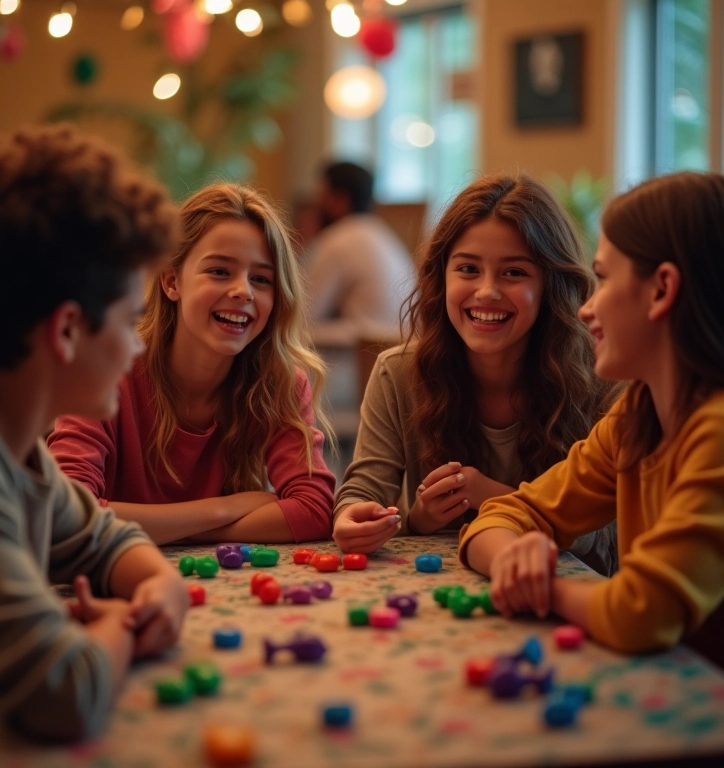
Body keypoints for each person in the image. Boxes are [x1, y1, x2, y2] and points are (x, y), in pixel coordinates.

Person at [0, 124, 189, 763]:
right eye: (126, 319)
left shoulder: (7, 440)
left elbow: (101, 538)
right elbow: (66, 692)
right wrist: (119, 627)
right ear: (65, 330)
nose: (138, 343)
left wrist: (159, 584)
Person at [460, 172, 724, 667]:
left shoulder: (715, 431)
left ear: (662, 289)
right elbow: (508, 514)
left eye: (602, 279)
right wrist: (513, 558)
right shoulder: (636, 415)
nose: (586, 309)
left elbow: (638, 613)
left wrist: (543, 590)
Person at [333, 174, 620, 578]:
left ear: (551, 284)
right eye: (468, 268)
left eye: (514, 273)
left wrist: (494, 498)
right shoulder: (397, 373)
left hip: (560, 596)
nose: (486, 291)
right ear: (441, 277)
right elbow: (362, 493)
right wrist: (397, 519)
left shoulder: (602, 381)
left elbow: (607, 540)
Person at [48, 183, 336, 546]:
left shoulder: (278, 382)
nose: (243, 291)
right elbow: (66, 514)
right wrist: (223, 509)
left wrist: (172, 531)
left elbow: (314, 510)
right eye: (219, 271)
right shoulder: (104, 372)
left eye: (261, 279)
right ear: (171, 281)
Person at [305, 160, 416, 346]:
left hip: (360, 360)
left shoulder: (337, 239)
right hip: (400, 350)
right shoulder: (382, 234)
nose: (316, 203)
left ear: (338, 200)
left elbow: (303, 315)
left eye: (321, 195)